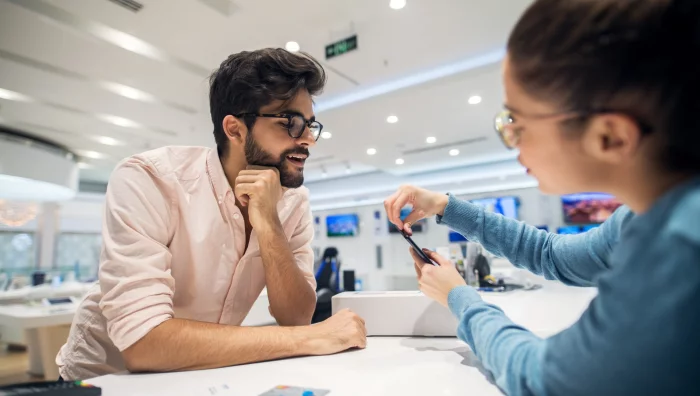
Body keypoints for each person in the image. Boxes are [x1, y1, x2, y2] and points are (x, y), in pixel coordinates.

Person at [385, 0, 700, 394]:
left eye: (517, 123)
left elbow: (541, 378)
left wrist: (459, 298)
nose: (512, 142)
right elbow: (553, 254)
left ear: (610, 136)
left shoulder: (679, 249)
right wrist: (445, 206)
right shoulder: (648, 216)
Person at [57, 49, 366, 381]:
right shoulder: (151, 179)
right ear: (234, 129)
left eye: (310, 125)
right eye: (290, 123)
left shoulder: (293, 201)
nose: (308, 140)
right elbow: (143, 342)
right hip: (104, 379)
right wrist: (311, 338)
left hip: (199, 376)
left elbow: (296, 316)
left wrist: (268, 222)